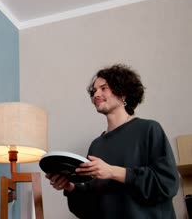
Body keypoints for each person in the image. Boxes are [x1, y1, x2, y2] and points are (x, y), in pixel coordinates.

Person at [45, 64, 179, 218]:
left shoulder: (149, 129)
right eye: (94, 91)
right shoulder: (96, 146)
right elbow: (90, 210)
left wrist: (112, 172)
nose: (96, 94)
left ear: (123, 94)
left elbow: (167, 184)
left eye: (104, 88)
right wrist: (70, 188)